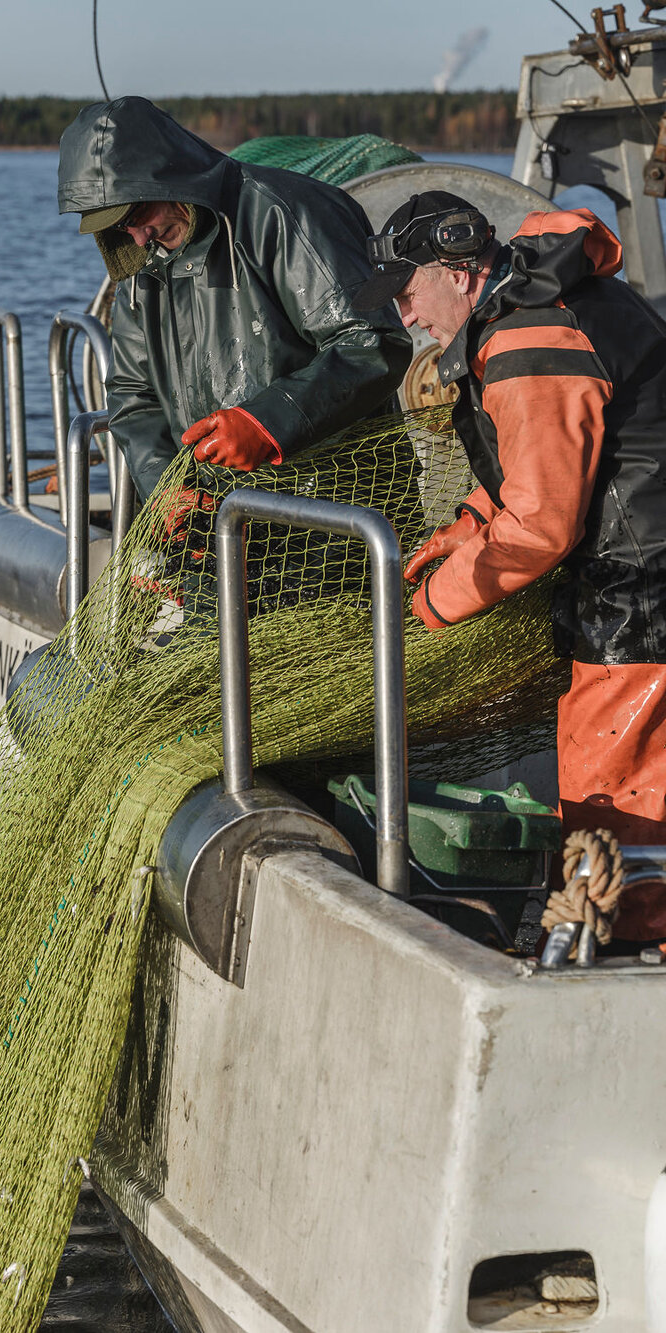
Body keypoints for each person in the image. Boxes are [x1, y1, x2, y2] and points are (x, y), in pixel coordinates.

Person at [353, 190, 666, 935]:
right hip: (638, 582)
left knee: (614, 819)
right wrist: (466, 529)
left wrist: (433, 607)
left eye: (408, 292)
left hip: (641, 608)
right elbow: (550, 471)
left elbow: (542, 525)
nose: (406, 317)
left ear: (458, 272)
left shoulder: (529, 339)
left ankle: (624, 980)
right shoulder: (544, 303)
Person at [57, 97, 411, 508]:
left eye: (135, 214)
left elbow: (372, 343)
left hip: (334, 520)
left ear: (167, 177)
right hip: (218, 527)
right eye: (117, 226)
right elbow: (132, 393)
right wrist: (166, 489)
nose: (137, 237)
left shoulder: (287, 212)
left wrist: (266, 423)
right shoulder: (141, 262)